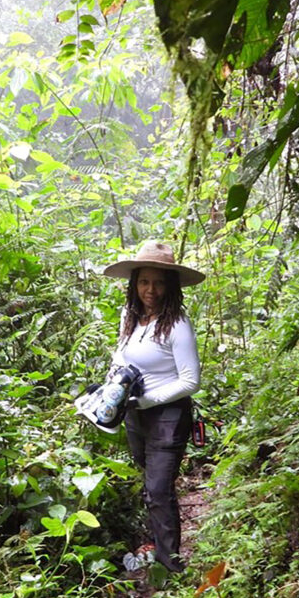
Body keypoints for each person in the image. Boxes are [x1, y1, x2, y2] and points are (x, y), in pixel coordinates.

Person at [103, 240, 205, 573]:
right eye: (145, 282)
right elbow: (120, 355)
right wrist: (110, 390)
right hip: (135, 413)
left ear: (170, 285)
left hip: (168, 416)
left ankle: (171, 566)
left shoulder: (177, 324)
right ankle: (159, 545)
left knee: (159, 489)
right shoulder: (130, 317)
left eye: (159, 282)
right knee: (150, 483)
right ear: (134, 284)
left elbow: (191, 381)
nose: (151, 289)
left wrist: (147, 400)